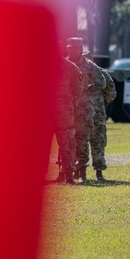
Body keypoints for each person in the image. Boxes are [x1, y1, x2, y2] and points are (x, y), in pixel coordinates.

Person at [66, 37, 104, 184]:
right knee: (66, 141)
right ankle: (66, 172)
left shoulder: (89, 66)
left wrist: (87, 90)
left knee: (81, 140)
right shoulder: (64, 64)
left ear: (81, 49)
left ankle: (82, 172)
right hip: (66, 110)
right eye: (69, 48)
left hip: (83, 109)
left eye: (75, 48)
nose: (72, 51)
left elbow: (101, 82)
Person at [84, 51, 117, 182]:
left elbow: (111, 92)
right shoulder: (78, 73)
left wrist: (101, 104)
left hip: (97, 114)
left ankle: (99, 172)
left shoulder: (102, 74)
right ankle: (80, 171)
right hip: (81, 114)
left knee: (98, 142)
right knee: (80, 143)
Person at [53, 55, 82, 184]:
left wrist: (71, 105)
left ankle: (68, 176)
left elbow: (78, 90)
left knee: (67, 143)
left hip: (64, 113)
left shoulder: (71, 68)